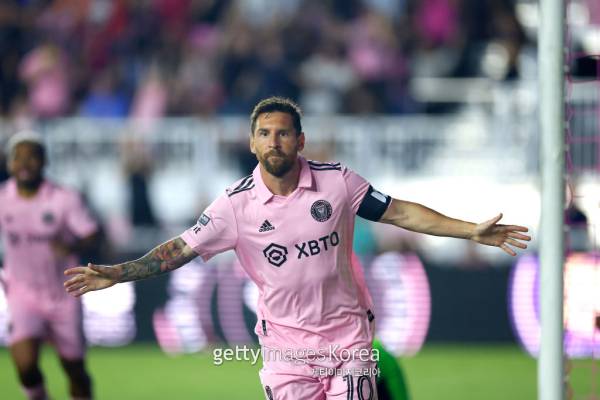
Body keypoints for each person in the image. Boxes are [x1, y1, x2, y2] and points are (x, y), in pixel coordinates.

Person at [64, 97, 531, 400]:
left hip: (349, 340)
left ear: (300, 140)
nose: (275, 141)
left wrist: (471, 230)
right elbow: (180, 248)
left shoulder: (337, 182)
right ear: (251, 143)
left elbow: (401, 212)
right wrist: (117, 273)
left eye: (284, 132)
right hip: (285, 351)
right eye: (265, 133)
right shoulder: (234, 206)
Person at [1, 131, 99, 400]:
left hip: (64, 295)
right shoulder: (3, 198)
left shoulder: (64, 199)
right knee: (25, 365)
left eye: (32, 157)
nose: (24, 163)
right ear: (9, 164)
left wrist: (71, 247)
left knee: (74, 370)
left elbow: (93, 234)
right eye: (18, 157)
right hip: (23, 295)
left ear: (44, 162)